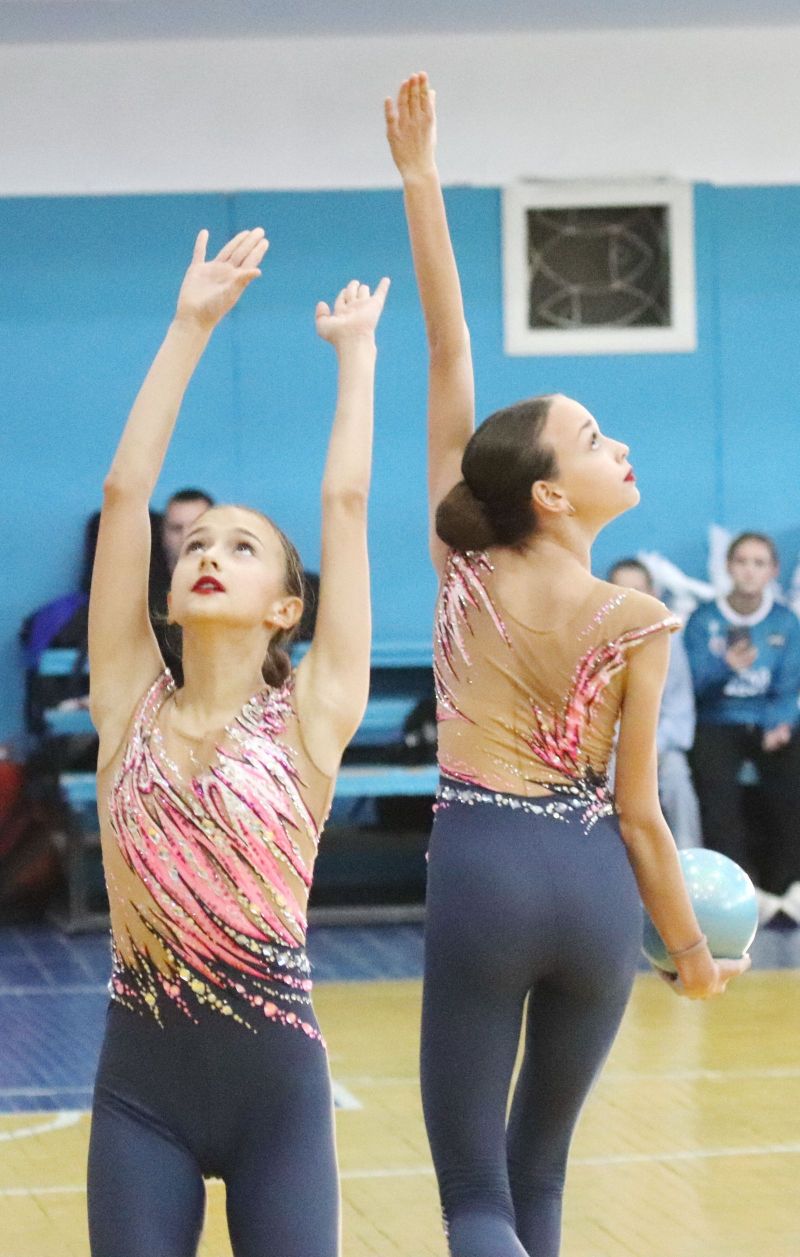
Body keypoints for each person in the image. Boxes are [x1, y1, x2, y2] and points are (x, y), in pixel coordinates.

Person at [385, 72, 749, 1257]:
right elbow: (639, 816)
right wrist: (687, 955)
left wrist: (420, 181)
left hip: (483, 870)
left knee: (475, 1198)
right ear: (547, 493)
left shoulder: (461, 570)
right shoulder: (639, 617)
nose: (618, 443)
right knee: (538, 1179)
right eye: (593, 438)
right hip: (594, 890)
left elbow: (446, 348)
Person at [86, 224, 389, 1257]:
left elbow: (345, 502)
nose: (208, 553)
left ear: (285, 608)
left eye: (242, 546)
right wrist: (188, 327)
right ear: (170, 590)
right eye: (197, 544)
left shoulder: (312, 715)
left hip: (278, 1098)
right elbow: (125, 498)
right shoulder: (127, 700)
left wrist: (357, 357)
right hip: (141, 1096)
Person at [684, 532, 800, 921]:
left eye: (759, 563)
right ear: (728, 567)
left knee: (791, 785)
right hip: (717, 720)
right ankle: (738, 890)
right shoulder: (704, 620)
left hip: (767, 721)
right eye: (742, 561)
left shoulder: (785, 621)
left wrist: (779, 723)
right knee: (718, 795)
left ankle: (786, 888)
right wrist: (724, 667)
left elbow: (789, 686)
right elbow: (691, 686)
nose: (749, 571)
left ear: (773, 571)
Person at [609, 558, 702, 848]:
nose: (631, 600)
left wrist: (652, 747)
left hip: (659, 746)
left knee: (677, 783)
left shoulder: (669, 641)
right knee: (605, 782)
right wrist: (620, 745)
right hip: (607, 747)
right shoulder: (593, 641)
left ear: (654, 594)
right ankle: (608, 859)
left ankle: (687, 857)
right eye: (622, 591)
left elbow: (679, 708)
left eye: (639, 590)